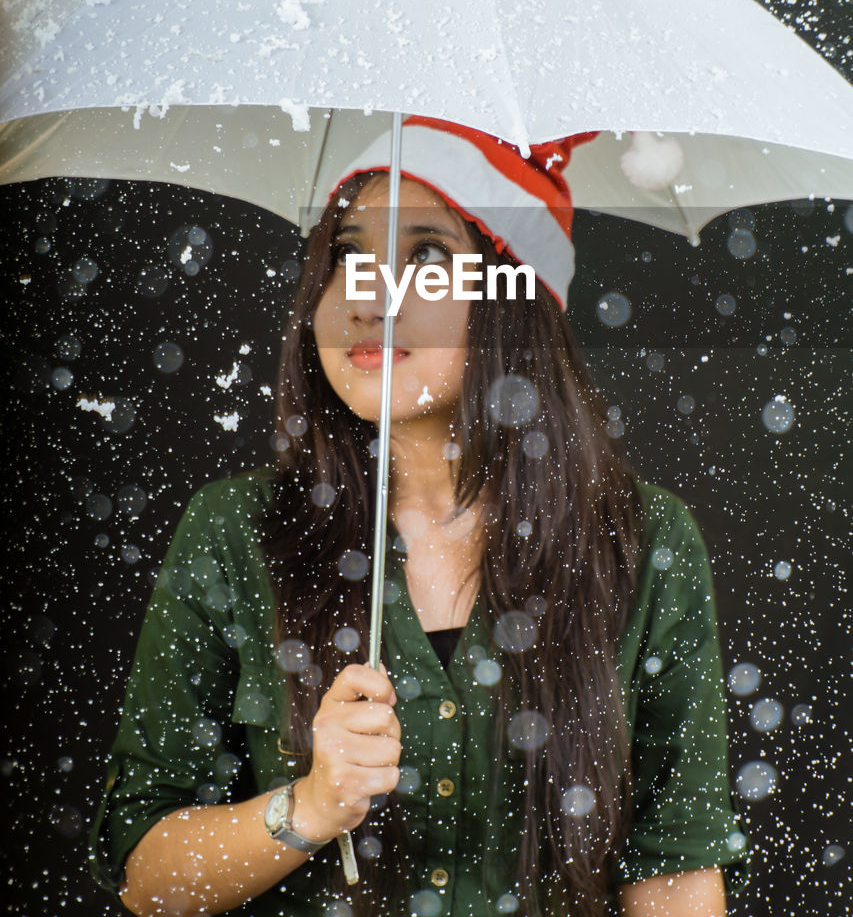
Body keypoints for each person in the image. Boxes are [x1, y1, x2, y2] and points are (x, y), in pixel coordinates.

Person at [89, 117, 752, 917]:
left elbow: (673, 869)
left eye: (426, 258)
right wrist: (305, 808)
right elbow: (146, 876)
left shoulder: (642, 541)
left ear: (513, 298)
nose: (369, 297)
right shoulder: (234, 531)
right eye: (348, 257)